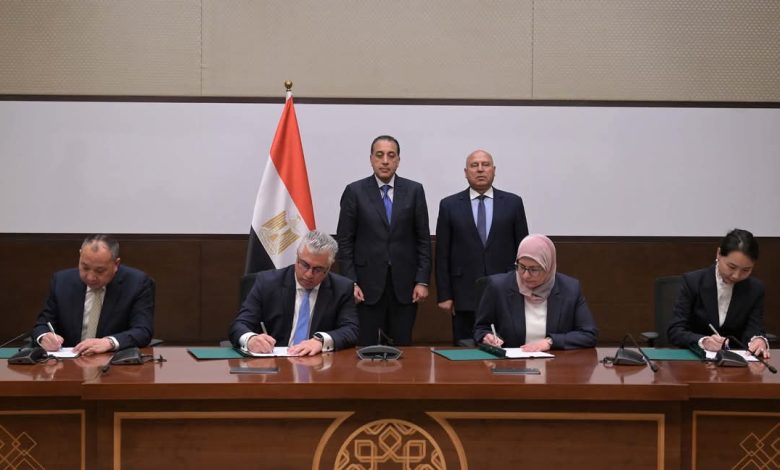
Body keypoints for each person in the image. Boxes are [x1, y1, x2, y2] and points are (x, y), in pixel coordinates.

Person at [336, 135, 432, 346]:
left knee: (402, 348)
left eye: (391, 155)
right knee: (367, 350)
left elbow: (423, 239)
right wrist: (351, 282)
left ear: (398, 160)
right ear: (371, 159)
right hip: (365, 287)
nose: (385, 161)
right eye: (379, 155)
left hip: (406, 287)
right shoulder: (355, 191)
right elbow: (345, 242)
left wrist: (422, 280)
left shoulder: (414, 191)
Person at [436, 149, 529, 345]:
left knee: (506, 350)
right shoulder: (449, 205)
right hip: (463, 294)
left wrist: (525, 288)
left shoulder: (513, 203)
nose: (480, 169)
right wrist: (445, 295)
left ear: (494, 170)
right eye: (474, 165)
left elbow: (524, 251)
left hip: (506, 292)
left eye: (485, 165)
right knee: (465, 351)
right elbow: (442, 254)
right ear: (465, 172)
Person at [229, 230, 359, 356]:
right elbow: (239, 325)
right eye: (305, 265)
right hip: (273, 362)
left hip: (317, 362)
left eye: (318, 269)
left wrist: (321, 341)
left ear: (329, 267)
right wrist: (250, 339)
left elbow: (351, 330)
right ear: (297, 257)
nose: (309, 274)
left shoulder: (342, 288)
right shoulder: (267, 283)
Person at [32, 234, 155, 355]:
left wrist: (109, 342)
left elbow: (142, 331)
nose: (90, 277)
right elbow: (43, 324)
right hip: (68, 361)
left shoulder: (137, 283)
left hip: (112, 361)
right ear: (80, 255)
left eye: (99, 271)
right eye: (85, 268)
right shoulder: (62, 281)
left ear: (116, 264)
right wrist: (44, 337)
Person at [475, 234, 598, 350]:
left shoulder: (570, 289)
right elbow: (481, 328)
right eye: (521, 267)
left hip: (555, 362)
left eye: (534, 269)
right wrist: (487, 337)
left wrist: (550, 342)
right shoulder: (498, 287)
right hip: (510, 362)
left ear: (548, 267)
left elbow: (589, 334)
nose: (526, 275)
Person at [667, 228, 770, 358]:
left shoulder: (755, 289)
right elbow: (675, 331)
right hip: (695, 360)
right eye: (731, 267)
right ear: (719, 254)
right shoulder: (693, 282)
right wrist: (703, 341)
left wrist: (759, 340)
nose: (736, 275)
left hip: (737, 362)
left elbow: (754, 328)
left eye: (746, 270)